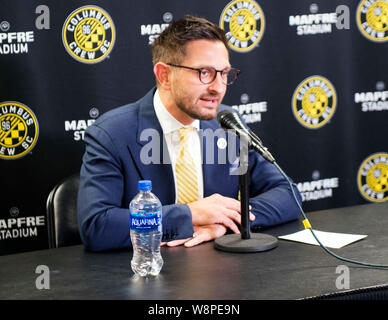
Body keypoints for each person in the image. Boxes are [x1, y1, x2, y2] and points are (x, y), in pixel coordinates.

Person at [77, 15, 302, 252]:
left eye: (224, 73)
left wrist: (224, 222)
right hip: (144, 274)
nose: (218, 87)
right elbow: (97, 225)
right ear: (164, 75)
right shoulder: (111, 134)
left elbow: (288, 194)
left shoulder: (228, 123)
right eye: (204, 72)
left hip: (222, 274)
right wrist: (190, 214)